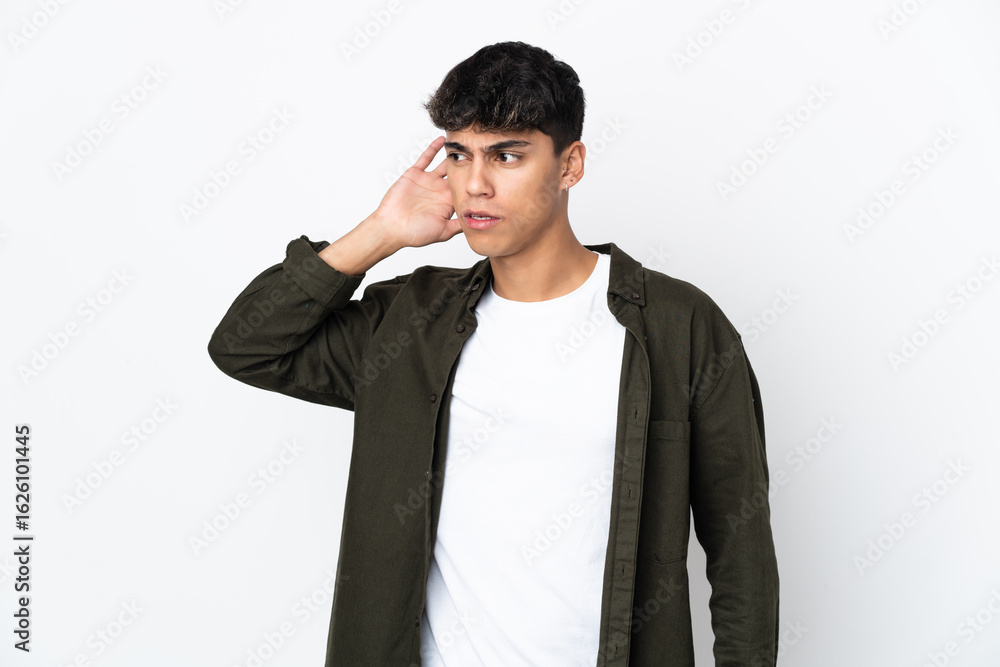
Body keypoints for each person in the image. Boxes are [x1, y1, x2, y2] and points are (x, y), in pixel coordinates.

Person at [208, 40, 779, 667]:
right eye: (459, 154)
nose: (475, 185)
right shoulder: (409, 323)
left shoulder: (678, 326)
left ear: (570, 165)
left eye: (507, 155)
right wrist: (381, 232)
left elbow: (740, 550)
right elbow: (247, 347)